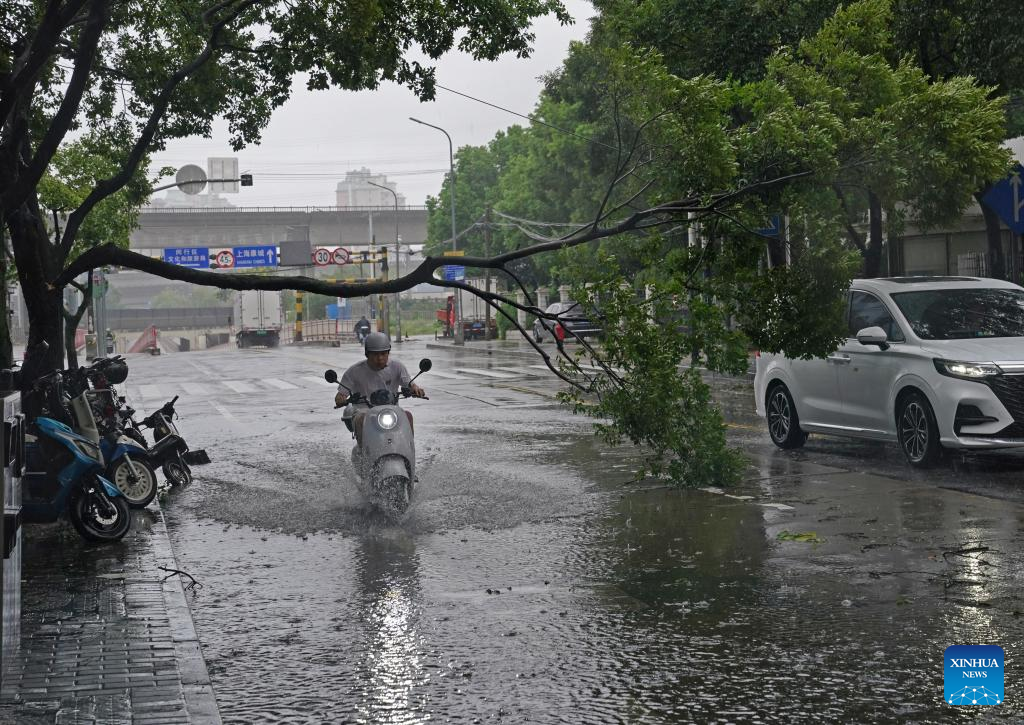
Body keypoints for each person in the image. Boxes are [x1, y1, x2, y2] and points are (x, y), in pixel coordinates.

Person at [334, 332, 425, 444]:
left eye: (383, 354)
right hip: (363, 411)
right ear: (367, 354)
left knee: (408, 416)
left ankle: (409, 449)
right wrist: (341, 399)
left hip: (391, 411)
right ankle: (364, 454)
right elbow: (341, 394)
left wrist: (415, 389)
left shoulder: (397, 367)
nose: (380, 358)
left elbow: (409, 383)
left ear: (388, 353)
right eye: (375, 355)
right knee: (361, 419)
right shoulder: (354, 371)